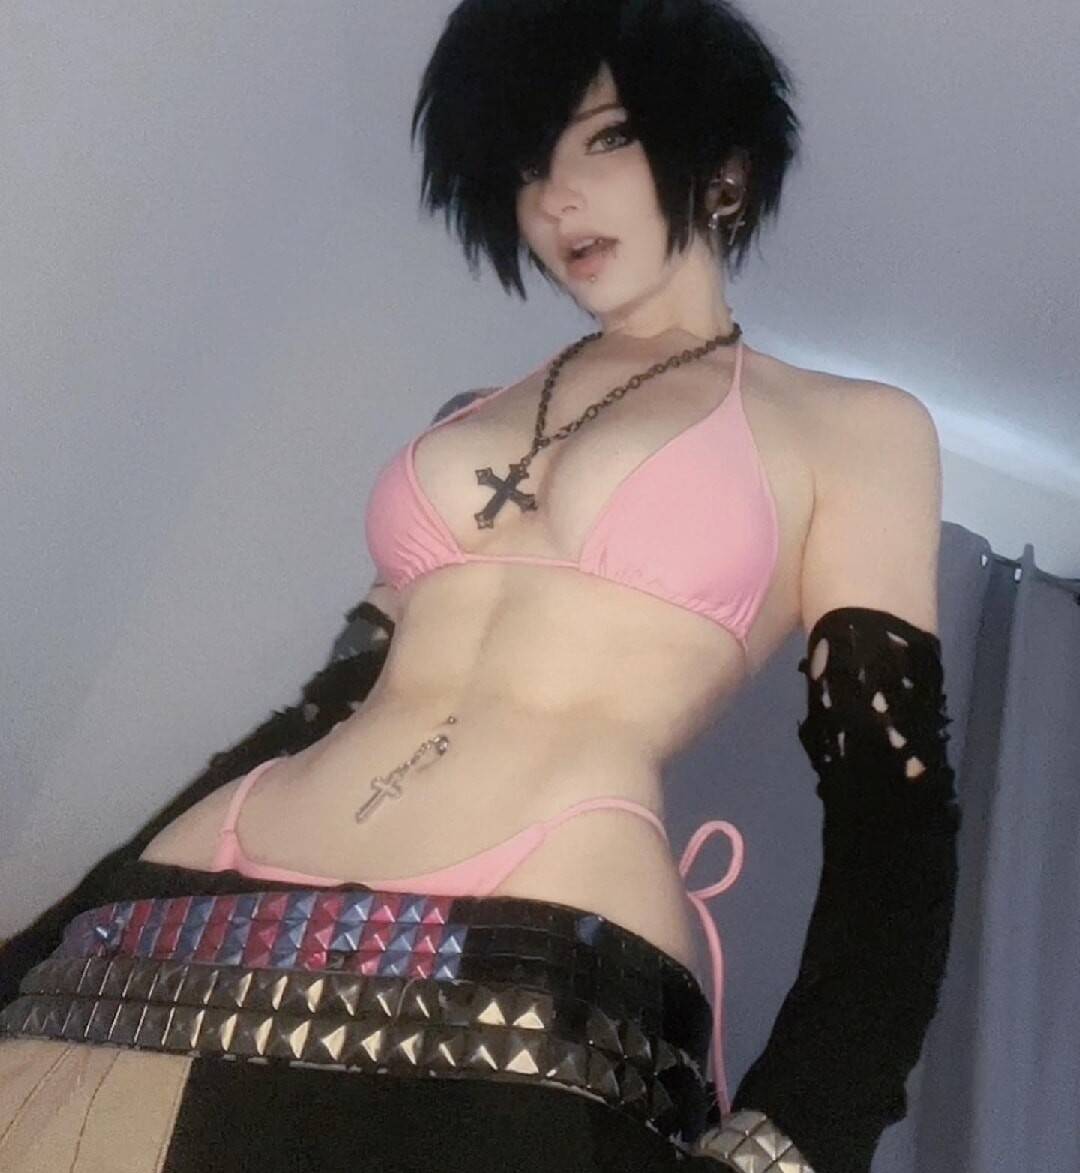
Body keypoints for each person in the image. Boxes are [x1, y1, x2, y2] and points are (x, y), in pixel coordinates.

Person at [0, 2, 961, 1171]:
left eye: (607, 138)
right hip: (198, 889)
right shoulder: (470, 417)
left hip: (529, 942)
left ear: (725, 169)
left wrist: (792, 1139)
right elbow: (325, 708)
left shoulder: (855, 429)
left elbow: (894, 821)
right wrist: (36, 946)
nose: (557, 198)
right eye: (525, 164)